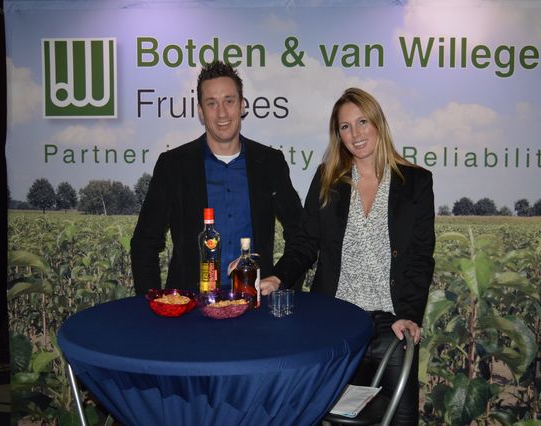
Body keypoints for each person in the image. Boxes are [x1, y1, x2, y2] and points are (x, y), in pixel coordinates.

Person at [260, 87, 435, 425]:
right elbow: (304, 243)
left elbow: (419, 257)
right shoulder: (328, 179)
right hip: (336, 325)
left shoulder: (416, 183)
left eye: (362, 122)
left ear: (378, 123)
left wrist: (410, 315)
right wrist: (277, 277)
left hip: (393, 327)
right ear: (337, 134)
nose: (355, 134)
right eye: (345, 126)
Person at [131, 60, 303, 295]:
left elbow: (300, 234)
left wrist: (280, 278)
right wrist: (151, 303)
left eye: (229, 101)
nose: (221, 113)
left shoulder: (270, 163)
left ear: (242, 106)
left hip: (255, 303)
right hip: (191, 306)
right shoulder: (173, 166)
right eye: (211, 103)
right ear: (201, 111)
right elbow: (145, 243)